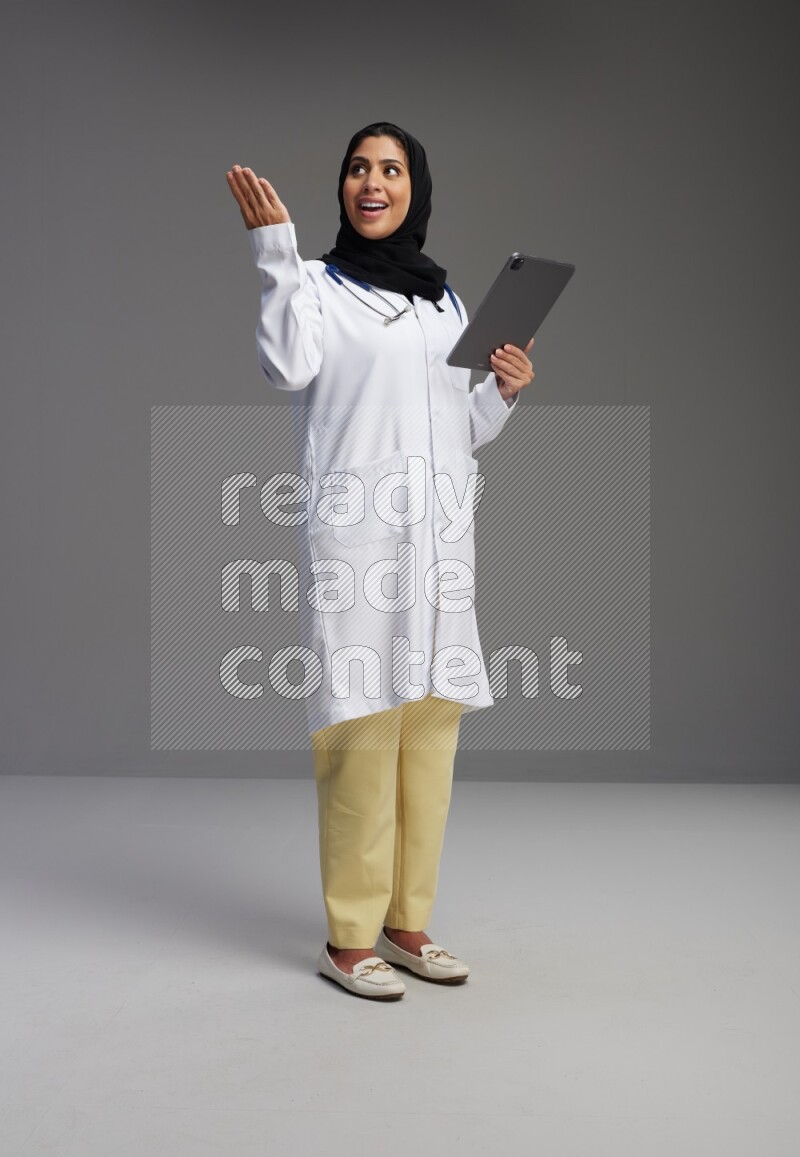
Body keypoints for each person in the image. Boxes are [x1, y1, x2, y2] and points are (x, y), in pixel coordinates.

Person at [226, 122, 534, 1000]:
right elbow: (285, 367)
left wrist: (501, 392)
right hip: (357, 545)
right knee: (361, 735)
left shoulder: (446, 303)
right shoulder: (316, 287)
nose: (373, 182)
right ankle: (350, 937)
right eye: (359, 168)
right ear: (343, 187)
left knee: (428, 739)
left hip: (439, 547)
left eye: (391, 170)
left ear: (414, 188)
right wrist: (274, 255)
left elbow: (458, 428)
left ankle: (407, 923)